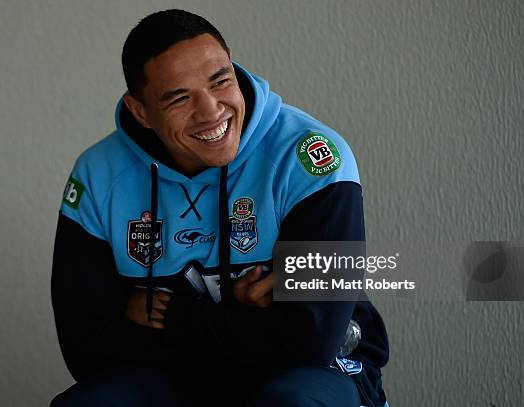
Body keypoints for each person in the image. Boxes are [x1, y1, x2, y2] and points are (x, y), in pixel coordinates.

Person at [50, 9, 389, 407]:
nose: (211, 111)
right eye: (179, 98)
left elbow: (312, 342)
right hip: (172, 380)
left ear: (230, 60)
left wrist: (174, 316)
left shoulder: (311, 157)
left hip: (312, 377)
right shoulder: (97, 175)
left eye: (220, 80)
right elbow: (84, 349)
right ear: (140, 110)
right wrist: (251, 319)